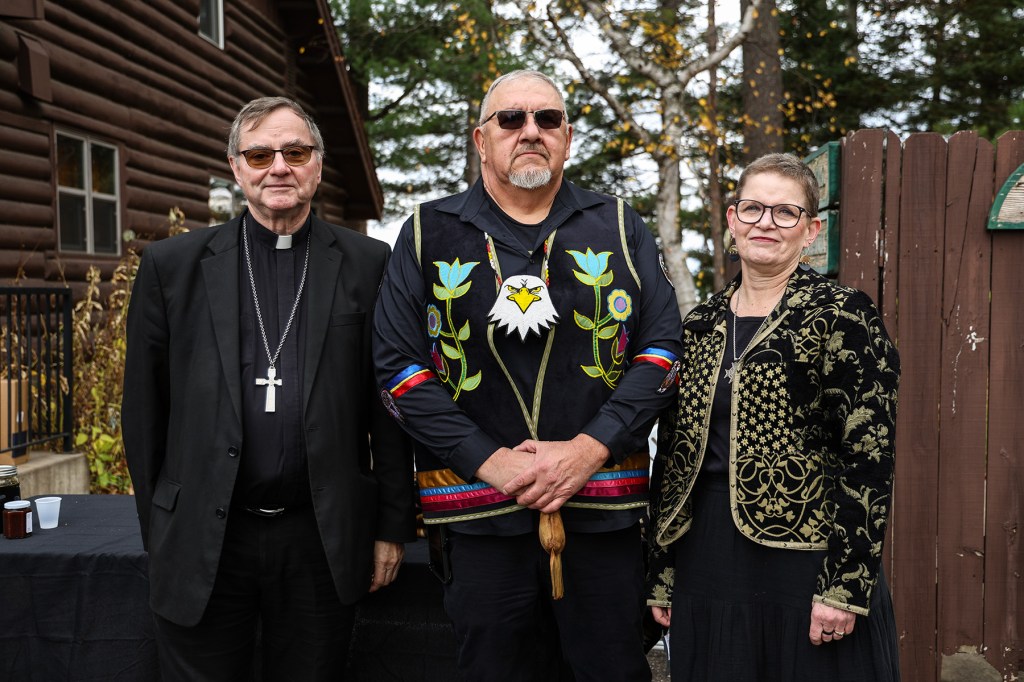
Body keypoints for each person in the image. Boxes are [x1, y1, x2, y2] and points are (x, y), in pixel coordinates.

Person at [373, 69, 683, 682]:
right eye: (511, 119)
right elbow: (397, 367)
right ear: (480, 139)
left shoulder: (619, 228)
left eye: (547, 119)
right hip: (478, 517)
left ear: (569, 136)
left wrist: (589, 449)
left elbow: (663, 350)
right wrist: (493, 462)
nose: (531, 131)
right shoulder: (425, 233)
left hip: (604, 514)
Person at [122, 96, 415, 681]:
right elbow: (144, 412)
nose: (277, 166)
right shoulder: (171, 266)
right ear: (236, 168)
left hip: (319, 536)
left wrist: (390, 524)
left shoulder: (367, 263)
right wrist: (165, 529)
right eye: (259, 154)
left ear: (317, 163)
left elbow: (389, 407)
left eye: (295, 151)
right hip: (208, 534)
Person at [646, 152, 901, 680]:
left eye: (785, 213)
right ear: (732, 219)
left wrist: (845, 587)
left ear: (811, 230)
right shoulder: (699, 325)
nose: (765, 222)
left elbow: (868, 461)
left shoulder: (843, 315)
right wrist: (663, 571)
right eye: (753, 208)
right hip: (706, 554)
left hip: (808, 560)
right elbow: (672, 455)